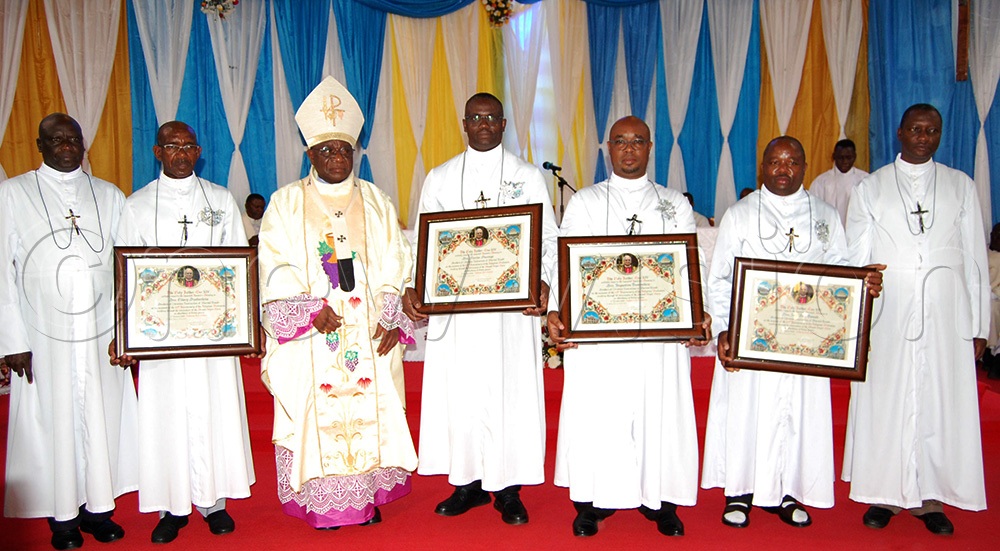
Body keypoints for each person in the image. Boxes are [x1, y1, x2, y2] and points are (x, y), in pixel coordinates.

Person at [257, 76, 417, 529]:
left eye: (343, 150)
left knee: (370, 406)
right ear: (309, 155)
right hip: (313, 334)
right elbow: (273, 261)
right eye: (326, 150)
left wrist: (390, 316)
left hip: (367, 331)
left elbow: (396, 259)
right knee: (317, 408)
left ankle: (362, 497)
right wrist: (306, 310)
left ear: (354, 152)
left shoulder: (377, 201)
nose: (336, 158)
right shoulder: (285, 202)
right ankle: (323, 502)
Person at [702, 136, 882, 530]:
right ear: (762, 167)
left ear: (804, 166)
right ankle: (739, 492)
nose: (783, 169)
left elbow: (842, 270)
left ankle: (787, 491)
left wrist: (860, 286)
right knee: (747, 412)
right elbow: (718, 279)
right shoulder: (741, 213)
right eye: (775, 162)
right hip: (752, 338)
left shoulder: (824, 215)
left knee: (796, 414)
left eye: (792, 162)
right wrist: (724, 330)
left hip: (805, 342)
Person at [546, 116, 710, 538]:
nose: (630, 149)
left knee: (661, 412)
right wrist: (556, 311)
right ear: (608, 149)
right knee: (597, 413)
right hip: (599, 339)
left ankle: (662, 500)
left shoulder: (675, 203)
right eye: (620, 141)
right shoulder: (585, 201)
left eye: (638, 141)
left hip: (659, 338)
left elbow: (693, 266)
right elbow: (564, 266)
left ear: (651, 148)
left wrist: (698, 312)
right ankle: (591, 500)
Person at [402, 92, 559, 525]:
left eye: (492, 117)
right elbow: (424, 242)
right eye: (476, 117)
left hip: (511, 314)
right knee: (462, 392)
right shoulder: (441, 178)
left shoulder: (527, 177)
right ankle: (467, 483)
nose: (484, 124)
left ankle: (509, 489)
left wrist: (543, 281)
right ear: (464, 124)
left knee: (510, 393)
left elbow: (547, 238)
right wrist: (418, 286)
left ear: (505, 124)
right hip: (458, 313)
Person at [842, 103, 987, 535]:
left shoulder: (961, 186)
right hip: (890, 309)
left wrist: (979, 325)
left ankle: (930, 496)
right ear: (900, 133)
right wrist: (855, 315)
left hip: (947, 312)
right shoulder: (873, 187)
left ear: (939, 135)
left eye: (933, 130)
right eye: (916, 129)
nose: (924, 136)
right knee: (886, 397)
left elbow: (976, 258)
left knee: (940, 398)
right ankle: (883, 493)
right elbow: (855, 255)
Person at [110, 121, 255, 544]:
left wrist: (242, 325)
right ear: (157, 152)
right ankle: (171, 507)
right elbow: (124, 277)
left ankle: (214, 503)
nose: (180, 153)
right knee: (164, 415)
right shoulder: (137, 205)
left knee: (215, 409)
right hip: (161, 337)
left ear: (199, 151)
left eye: (188, 145)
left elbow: (238, 264)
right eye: (171, 146)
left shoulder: (220, 199)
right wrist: (126, 331)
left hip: (213, 333)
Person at [1, 113, 137, 550]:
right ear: (38, 145)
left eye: (73, 138)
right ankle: (62, 520)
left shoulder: (109, 194)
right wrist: (12, 341)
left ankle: (99, 511)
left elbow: (126, 269)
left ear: (84, 144)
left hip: (101, 333)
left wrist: (127, 330)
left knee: (102, 415)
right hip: (42, 335)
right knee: (52, 420)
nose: (66, 145)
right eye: (55, 139)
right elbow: (2, 272)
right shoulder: (12, 193)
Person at [808, 139, 868, 227]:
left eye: (848, 157)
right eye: (841, 157)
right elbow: (813, 211)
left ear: (855, 156)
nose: (845, 161)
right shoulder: (821, 182)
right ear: (834, 156)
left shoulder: (865, 180)